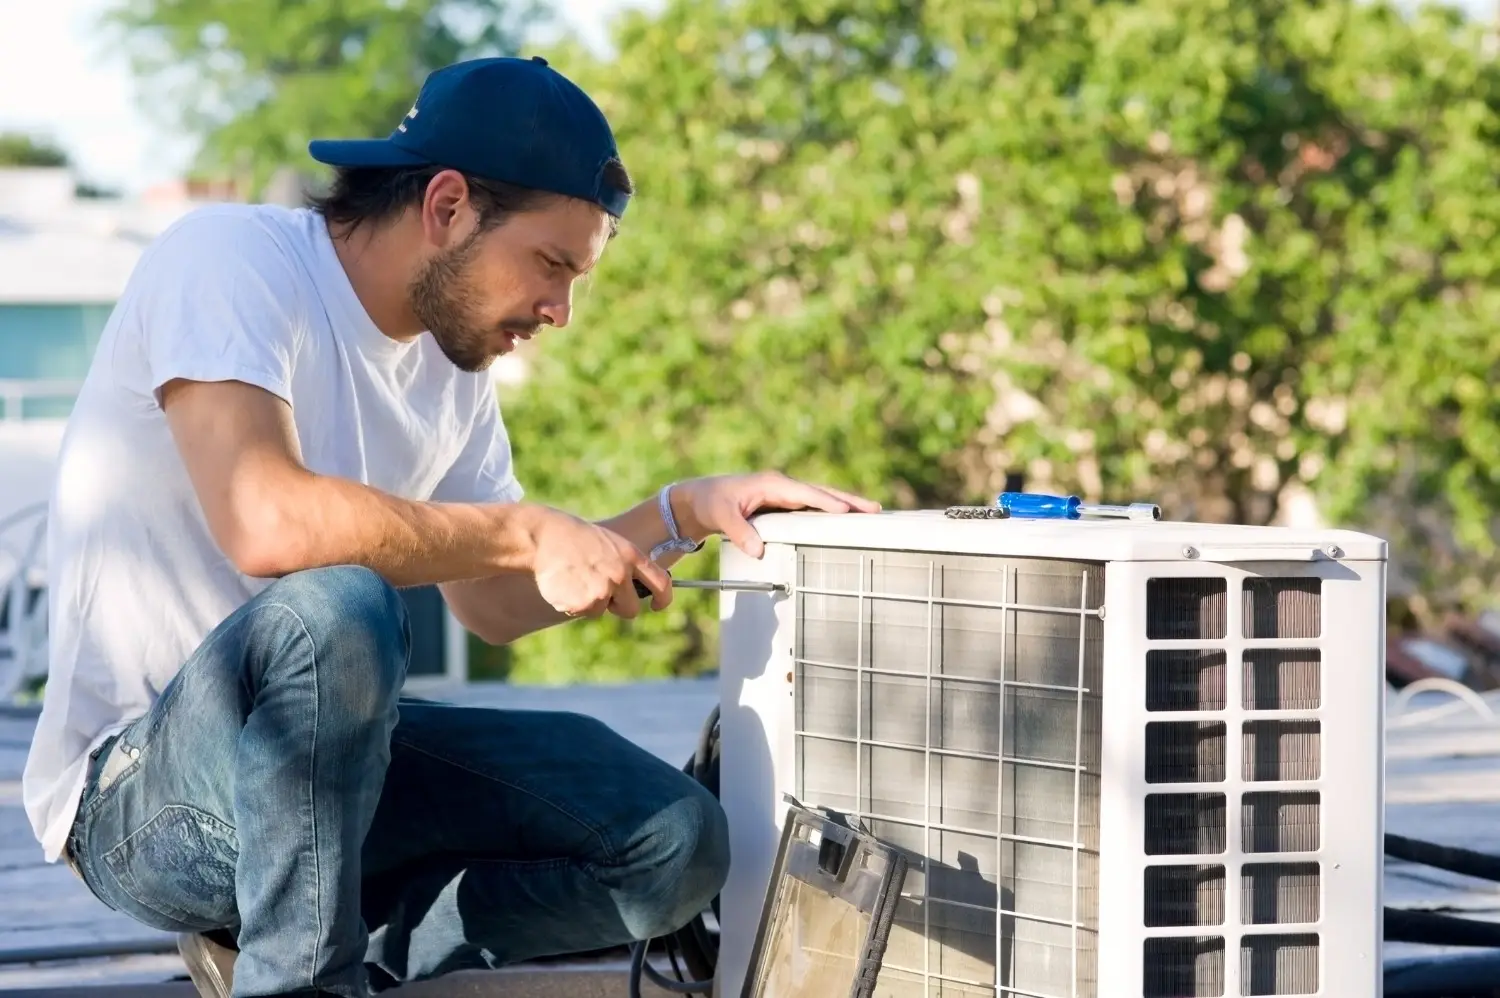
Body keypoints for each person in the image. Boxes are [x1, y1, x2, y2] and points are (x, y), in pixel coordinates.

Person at [21, 55, 879, 998]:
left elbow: (498, 604)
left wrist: (678, 513)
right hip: (139, 797)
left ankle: (313, 938)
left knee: (673, 840)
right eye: (552, 264)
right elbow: (264, 521)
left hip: (340, 773)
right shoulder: (229, 260)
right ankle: (301, 981)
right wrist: (525, 530)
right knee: (341, 609)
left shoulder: (452, 376)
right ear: (446, 206)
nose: (559, 309)